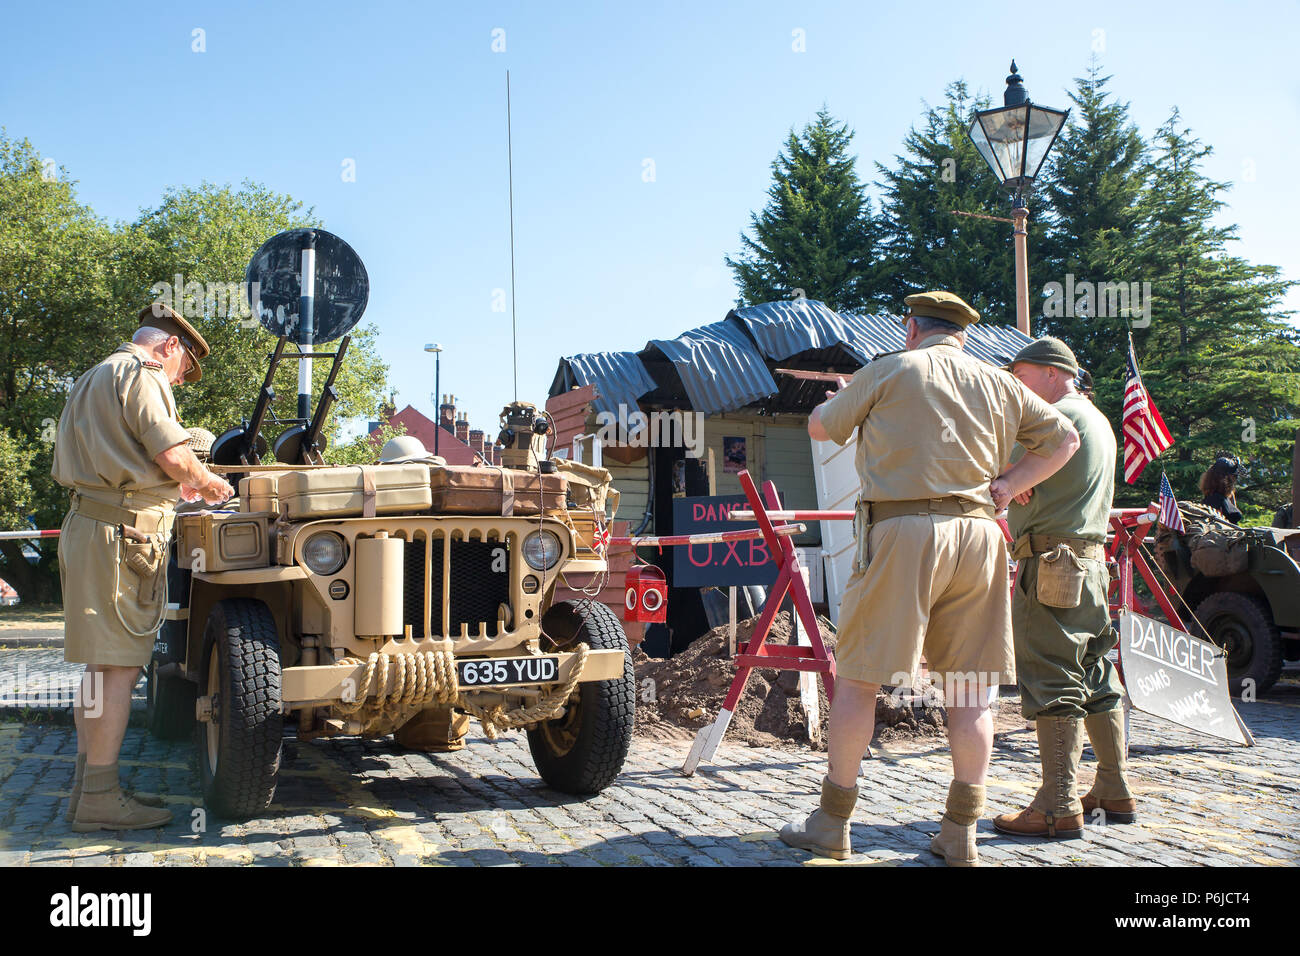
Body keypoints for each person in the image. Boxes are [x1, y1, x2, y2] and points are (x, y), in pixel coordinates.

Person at [780, 291, 1080, 866]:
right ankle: (960, 830)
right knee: (971, 689)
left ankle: (832, 821)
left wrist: (844, 400)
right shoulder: (1000, 382)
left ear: (911, 326)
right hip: (979, 535)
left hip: (902, 531)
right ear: (963, 335)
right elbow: (1065, 438)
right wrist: (1013, 483)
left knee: (861, 680)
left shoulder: (889, 368)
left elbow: (821, 429)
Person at [52, 304, 234, 831]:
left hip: (91, 525)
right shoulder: (143, 372)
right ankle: (100, 799)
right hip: (123, 535)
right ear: (170, 348)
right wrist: (212, 483)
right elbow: (174, 456)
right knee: (118, 670)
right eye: (183, 371)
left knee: (97, 669)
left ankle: (88, 790)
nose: (179, 380)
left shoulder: (93, 375)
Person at [991, 337, 1135, 840]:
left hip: (1050, 563)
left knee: (1052, 679)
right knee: (1096, 674)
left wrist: (1010, 474)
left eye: (1022, 377)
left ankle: (1056, 804)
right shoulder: (1096, 419)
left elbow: (995, 478)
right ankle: (1113, 789)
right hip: (1091, 564)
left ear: (1054, 374)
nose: (1016, 387)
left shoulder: (1051, 424)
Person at [1200, 456, 1243, 524]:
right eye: (1233, 476)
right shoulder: (1216, 500)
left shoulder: (1216, 497)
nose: (1234, 480)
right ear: (1225, 479)